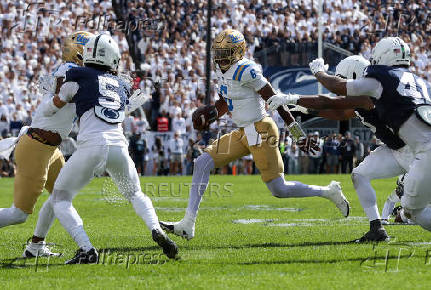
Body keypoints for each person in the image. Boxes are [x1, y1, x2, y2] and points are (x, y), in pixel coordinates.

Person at [159, 29, 349, 240]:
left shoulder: (246, 69)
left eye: (226, 51)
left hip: (261, 129)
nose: (221, 56)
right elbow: (225, 100)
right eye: (219, 51)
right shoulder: (220, 69)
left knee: (279, 189)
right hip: (243, 131)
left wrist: (297, 133)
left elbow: (275, 100)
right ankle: (187, 224)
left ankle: (328, 191)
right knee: (201, 162)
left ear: (238, 51)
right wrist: (212, 114)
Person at [268, 37, 431, 240]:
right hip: (396, 149)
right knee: (360, 174)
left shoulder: (371, 91)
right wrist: (303, 108)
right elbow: (339, 113)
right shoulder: (393, 86)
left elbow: (332, 99)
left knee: (417, 208)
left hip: (413, 150)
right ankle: (377, 228)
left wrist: (296, 94)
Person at [38, 34, 178, 263]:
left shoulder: (78, 74)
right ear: (112, 58)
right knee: (136, 194)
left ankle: (86, 249)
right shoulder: (120, 84)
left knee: (60, 198)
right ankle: (156, 229)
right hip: (119, 147)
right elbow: (124, 106)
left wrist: (50, 97)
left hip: (91, 146)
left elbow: (51, 109)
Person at [0, 31, 94, 258]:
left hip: (51, 149)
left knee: (60, 197)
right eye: (90, 52)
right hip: (36, 145)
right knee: (19, 214)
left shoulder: (75, 72)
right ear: (78, 53)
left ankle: (35, 246)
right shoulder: (68, 71)